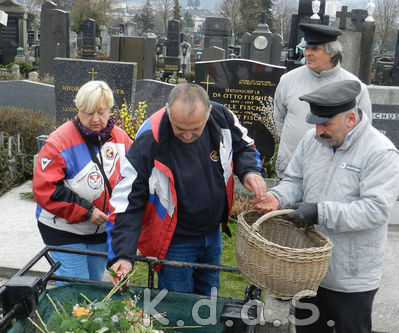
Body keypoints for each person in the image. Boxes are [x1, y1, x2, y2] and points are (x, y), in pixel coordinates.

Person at [253, 80, 399, 333]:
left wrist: (319, 212)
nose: (318, 130)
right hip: (309, 272)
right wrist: (277, 197)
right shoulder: (312, 140)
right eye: (317, 123)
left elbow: (375, 210)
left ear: (351, 119)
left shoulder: (380, 153)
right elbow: (295, 180)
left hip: (351, 278)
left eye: (325, 124)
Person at [107, 83, 267, 296]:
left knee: (209, 299)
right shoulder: (149, 138)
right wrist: (122, 256)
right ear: (169, 112)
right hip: (175, 240)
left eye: (195, 129)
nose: (188, 137)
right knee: (178, 306)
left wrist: (250, 171)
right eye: (180, 129)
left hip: (212, 233)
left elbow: (244, 146)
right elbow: (126, 201)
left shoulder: (222, 118)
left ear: (208, 113)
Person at [33, 80, 132, 284]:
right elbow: (46, 189)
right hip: (64, 230)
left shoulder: (122, 139)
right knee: (75, 292)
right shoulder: (59, 142)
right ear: (78, 109)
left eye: (102, 112)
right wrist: (86, 212)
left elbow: (135, 180)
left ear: (110, 111)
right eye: (88, 112)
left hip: (101, 230)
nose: (96, 119)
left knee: (93, 286)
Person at [274, 23, 372, 179]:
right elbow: (279, 118)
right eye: (306, 48)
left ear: (332, 53)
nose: (308, 54)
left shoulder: (355, 87)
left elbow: (362, 131)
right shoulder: (287, 80)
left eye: (315, 49)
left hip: (332, 175)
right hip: (291, 170)